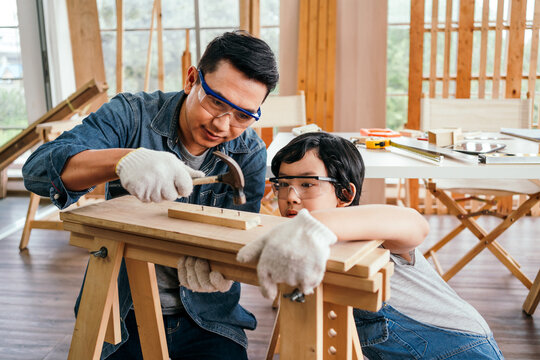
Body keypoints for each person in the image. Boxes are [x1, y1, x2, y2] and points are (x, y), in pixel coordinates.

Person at [22, 31, 278, 360]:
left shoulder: (249, 153)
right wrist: (124, 160)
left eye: (243, 116)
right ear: (191, 79)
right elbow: (37, 171)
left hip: (210, 318)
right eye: (216, 101)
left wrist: (224, 269)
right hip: (121, 311)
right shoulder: (131, 115)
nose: (222, 124)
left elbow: (240, 242)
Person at [237, 132, 504, 359]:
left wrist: (313, 226)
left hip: (462, 348)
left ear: (345, 194)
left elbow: (414, 223)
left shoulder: (373, 232)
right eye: (282, 184)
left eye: (308, 184)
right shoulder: (296, 241)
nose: (291, 197)